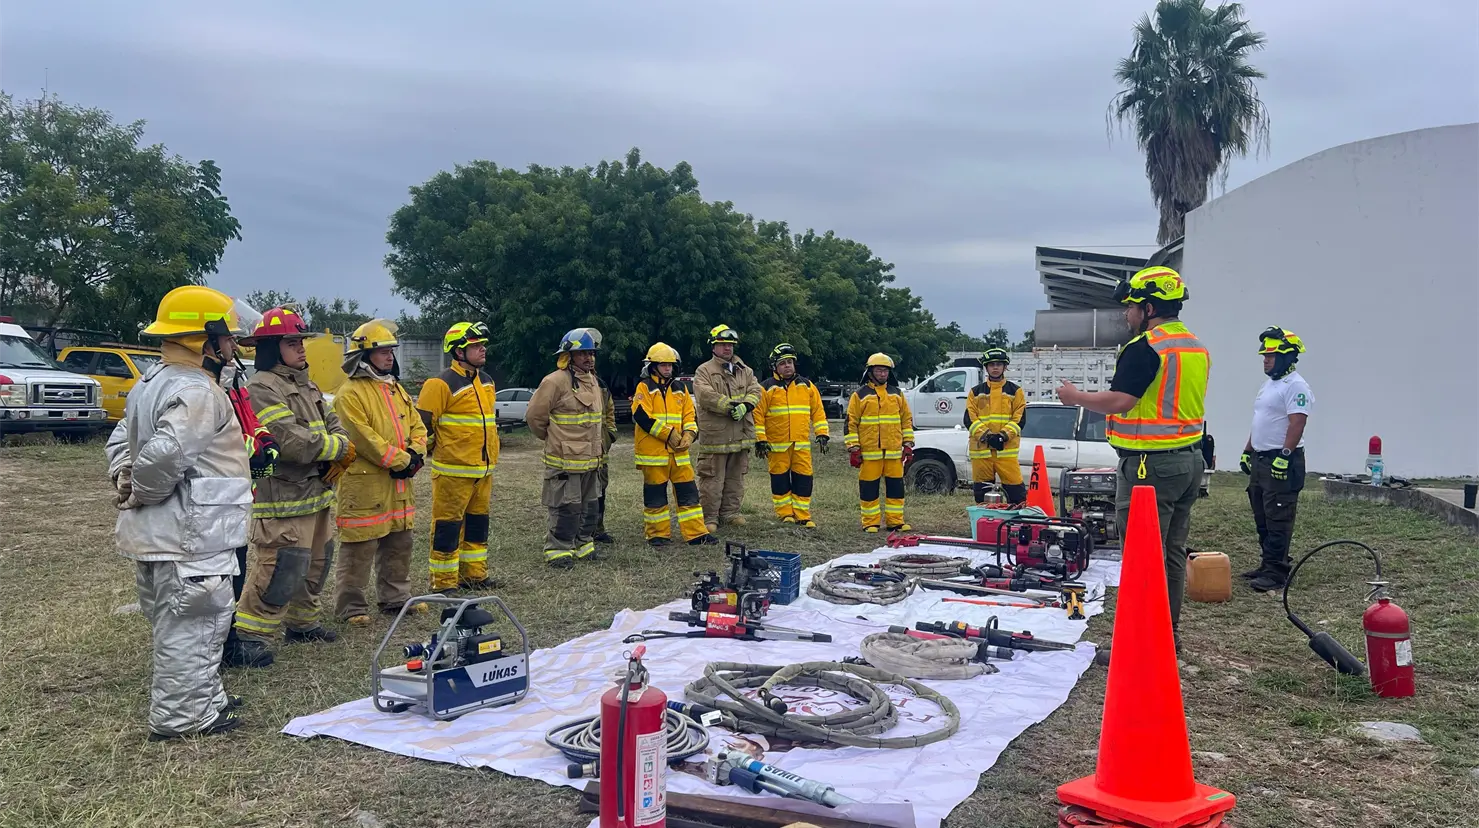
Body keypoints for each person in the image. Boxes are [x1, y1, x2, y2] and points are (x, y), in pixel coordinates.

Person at [105, 285, 253, 740]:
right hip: (191, 533)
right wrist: (145, 490)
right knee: (194, 623)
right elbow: (165, 454)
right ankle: (182, 720)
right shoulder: (197, 389)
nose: (232, 348)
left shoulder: (151, 382)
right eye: (227, 339)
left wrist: (125, 479)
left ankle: (205, 700)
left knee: (186, 622)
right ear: (204, 340)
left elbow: (119, 442)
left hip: (165, 534)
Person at [1056, 266, 1209, 652]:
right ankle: (1164, 636)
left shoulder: (1146, 347)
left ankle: (1141, 643)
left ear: (1150, 307)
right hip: (1188, 462)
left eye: (1132, 306)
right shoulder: (1194, 346)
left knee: (1141, 558)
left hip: (1149, 466)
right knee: (1171, 555)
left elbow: (1122, 401)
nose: (1127, 314)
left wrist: (1077, 398)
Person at [228, 307, 350, 666]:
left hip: (316, 492)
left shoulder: (306, 383)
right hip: (282, 495)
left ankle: (303, 623)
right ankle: (250, 634)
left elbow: (335, 425)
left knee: (316, 562)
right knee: (279, 565)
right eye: (292, 342)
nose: (301, 349)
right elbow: (289, 441)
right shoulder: (262, 387)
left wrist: (334, 446)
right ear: (271, 347)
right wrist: (336, 449)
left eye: (301, 341)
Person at [332, 319, 429, 623]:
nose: (389, 357)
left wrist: (416, 453)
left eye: (391, 351)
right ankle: (351, 608)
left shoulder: (395, 387)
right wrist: (402, 461)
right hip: (366, 483)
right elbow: (363, 439)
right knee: (359, 547)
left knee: (399, 542)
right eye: (382, 351)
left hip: (399, 484)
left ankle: (395, 598)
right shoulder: (349, 394)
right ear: (363, 355)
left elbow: (417, 425)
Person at [417, 321, 500, 593]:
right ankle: (443, 583)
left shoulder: (486, 382)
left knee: (477, 525)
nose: (482, 349)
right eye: (475, 346)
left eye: (482, 345)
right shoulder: (439, 384)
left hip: (483, 471)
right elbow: (422, 427)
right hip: (452, 473)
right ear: (458, 352)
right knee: (447, 528)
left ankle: (474, 575)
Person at [1240, 327, 1313, 593]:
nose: (1266, 360)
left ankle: (1277, 572)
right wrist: (1248, 450)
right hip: (1261, 459)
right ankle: (1267, 564)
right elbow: (1261, 421)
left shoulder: (1296, 386)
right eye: (1264, 355)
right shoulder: (1269, 385)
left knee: (1278, 515)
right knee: (1262, 513)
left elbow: (1297, 422)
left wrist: (1284, 455)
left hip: (1281, 460)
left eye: (1271, 355)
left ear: (1287, 357)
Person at [527, 327, 606, 567]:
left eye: (591, 353)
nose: (588, 358)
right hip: (564, 462)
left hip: (591, 460)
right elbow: (534, 417)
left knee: (590, 506)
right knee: (565, 508)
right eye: (582, 353)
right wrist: (555, 440)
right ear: (568, 356)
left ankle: (584, 545)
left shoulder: (592, 380)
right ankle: (558, 550)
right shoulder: (554, 381)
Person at [631, 342, 715, 546]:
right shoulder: (644, 387)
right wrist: (668, 434)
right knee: (656, 497)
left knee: (689, 495)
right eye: (663, 365)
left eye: (670, 365)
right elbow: (642, 416)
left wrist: (689, 435)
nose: (668, 368)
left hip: (679, 454)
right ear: (652, 366)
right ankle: (658, 535)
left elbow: (690, 415)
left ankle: (696, 534)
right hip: (654, 454)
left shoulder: (680, 389)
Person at [692, 324, 763, 533]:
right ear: (713, 347)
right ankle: (709, 517)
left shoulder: (745, 370)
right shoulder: (704, 370)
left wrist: (746, 406)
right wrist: (731, 406)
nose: (727, 349)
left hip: (740, 434)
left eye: (730, 345)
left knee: (735, 477)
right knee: (712, 478)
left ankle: (730, 513)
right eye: (723, 344)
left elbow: (755, 390)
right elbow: (705, 396)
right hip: (716, 436)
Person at [754, 343, 830, 527]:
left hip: (801, 444)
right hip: (776, 444)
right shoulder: (766, 388)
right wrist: (760, 440)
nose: (787, 366)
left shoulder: (807, 386)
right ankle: (785, 513)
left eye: (790, 362)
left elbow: (818, 411)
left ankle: (802, 514)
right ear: (775, 367)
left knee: (804, 479)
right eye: (782, 363)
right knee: (779, 480)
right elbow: (758, 415)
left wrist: (822, 433)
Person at [844, 353, 915, 533]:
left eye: (885, 370)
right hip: (869, 452)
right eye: (879, 370)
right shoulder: (859, 395)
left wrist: (908, 444)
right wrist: (853, 448)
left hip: (893, 453)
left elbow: (906, 420)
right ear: (870, 372)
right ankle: (870, 522)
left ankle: (896, 521)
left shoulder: (897, 394)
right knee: (869, 489)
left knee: (896, 489)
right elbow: (851, 423)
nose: (882, 374)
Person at [964, 348, 1027, 506]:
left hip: (1005, 450)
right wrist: (986, 436)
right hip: (982, 451)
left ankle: (1015, 526)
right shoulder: (975, 392)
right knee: (982, 495)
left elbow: (1019, 419)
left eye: (999, 364)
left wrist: (1002, 436)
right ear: (986, 367)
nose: (995, 367)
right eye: (991, 364)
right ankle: (984, 525)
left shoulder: (1015, 391)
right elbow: (970, 419)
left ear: (1005, 367)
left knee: (1016, 493)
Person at [593, 371, 618, 545]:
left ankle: (597, 530)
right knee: (578, 494)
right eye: (586, 354)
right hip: (577, 452)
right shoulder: (567, 382)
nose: (591, 359)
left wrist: (610, 434)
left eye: (593, 354)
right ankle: (579, 533)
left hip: (601, 450)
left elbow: (610, 411)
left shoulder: (600, 384)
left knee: (600, 491)